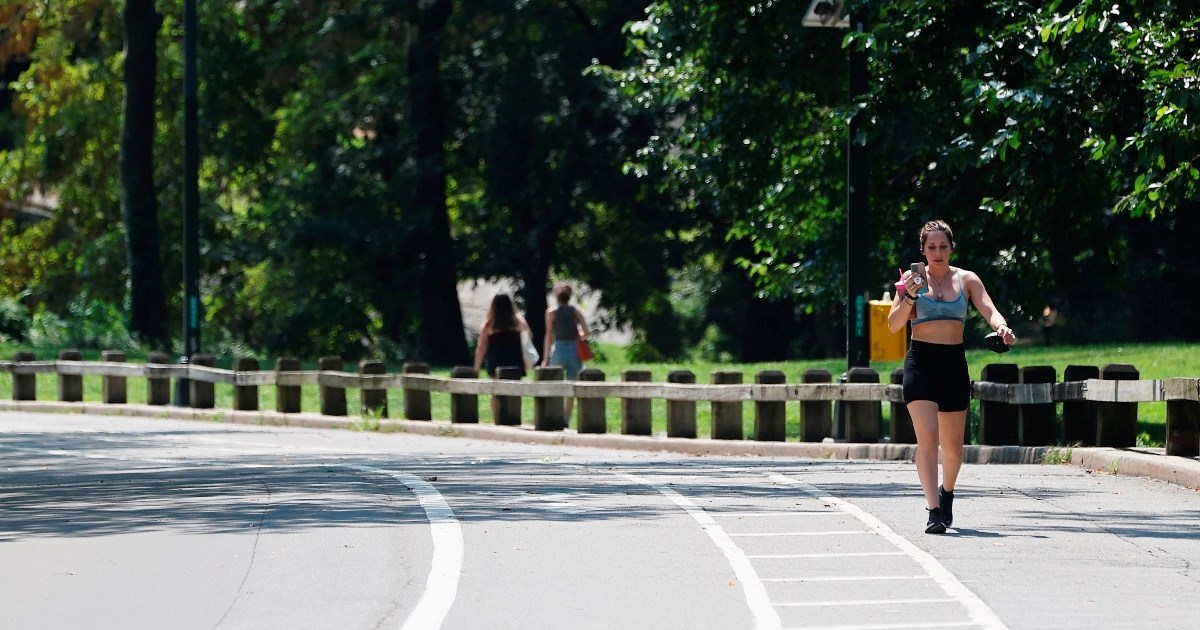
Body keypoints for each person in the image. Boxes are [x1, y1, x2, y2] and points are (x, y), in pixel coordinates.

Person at [887, 219, 1015, 534]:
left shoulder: (967, 279)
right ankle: (933, 511)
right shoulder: (911, 279)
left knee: (954, 448)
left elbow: (989, 309)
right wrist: (910, 297)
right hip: (920, 363)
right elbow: (893, 324)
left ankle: (947, 493)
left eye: (943, 246)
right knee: (928, 439)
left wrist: (1001, 327)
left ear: (952, 247)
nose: (938, 252)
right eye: (931, 247)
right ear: (922, 250)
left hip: (953, 364)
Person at [473, 293, 533, 413]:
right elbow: (529, 335)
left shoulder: (488, 325)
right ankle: (514, 416)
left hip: (496, 361)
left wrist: (476, 368)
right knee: (515, 391)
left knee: (495, 392)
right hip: (514, 361)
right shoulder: (517, 322)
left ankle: (497, 418)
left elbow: (481, 348)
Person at [542, 282, 591, 419]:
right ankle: (566, 418)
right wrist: (579, 335)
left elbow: (549, 335)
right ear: (570, 296)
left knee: (556, 383)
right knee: (571, 385)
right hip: (574, 350)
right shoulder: (575, 311)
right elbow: (587, 332)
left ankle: (554, 414)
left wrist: (546, 359)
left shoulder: (551, 312)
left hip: (558, 349)